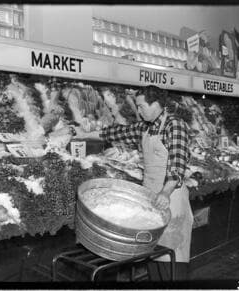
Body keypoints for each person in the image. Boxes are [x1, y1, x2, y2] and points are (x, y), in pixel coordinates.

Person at [73, 85, 193, 281]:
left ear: (155, 104)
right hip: (150, 200)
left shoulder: (174, 126)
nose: (138, 110)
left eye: (141, 106)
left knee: (172, 261)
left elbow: (178, 165)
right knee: (153, 257)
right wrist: (83, 134)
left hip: (171, 198)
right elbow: (114, 133)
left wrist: (165, 192)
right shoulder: (145, 127)